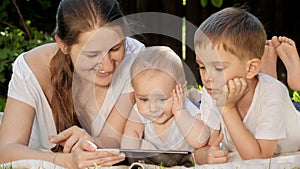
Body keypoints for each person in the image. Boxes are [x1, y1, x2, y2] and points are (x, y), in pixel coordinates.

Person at [0, 0, 144, 168]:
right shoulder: (31, 67)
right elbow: (5, 151)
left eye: (115, 49)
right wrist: (65, 161)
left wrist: (91, 144)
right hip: (35, 150)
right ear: (63, 45)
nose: (108, 65)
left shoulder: (134, 58)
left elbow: (111, 140)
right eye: (92, 54)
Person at [192, 7, 300, 165]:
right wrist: (205, 156)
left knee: (273, 89)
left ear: (250, 69)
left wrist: (227, 109)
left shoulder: (274, 92)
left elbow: (259, 158)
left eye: (219, 68)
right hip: (264, 92)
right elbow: (202, 147)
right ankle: (268, 67)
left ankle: (296, 81)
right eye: (202, 67)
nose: (207, 78)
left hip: (292, 122)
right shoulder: (212, 92)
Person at [121, 46, 209, 151]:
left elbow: (200, 140)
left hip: (185, 159)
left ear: (181, 90)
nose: (153, 108)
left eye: (162, 99)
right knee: (142, 145)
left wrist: (180, 112)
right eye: (144, 99)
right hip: (158, 156)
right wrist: (131, 153)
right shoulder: (139, 112)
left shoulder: (187, 109)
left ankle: (195, 97)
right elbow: (131, 132)